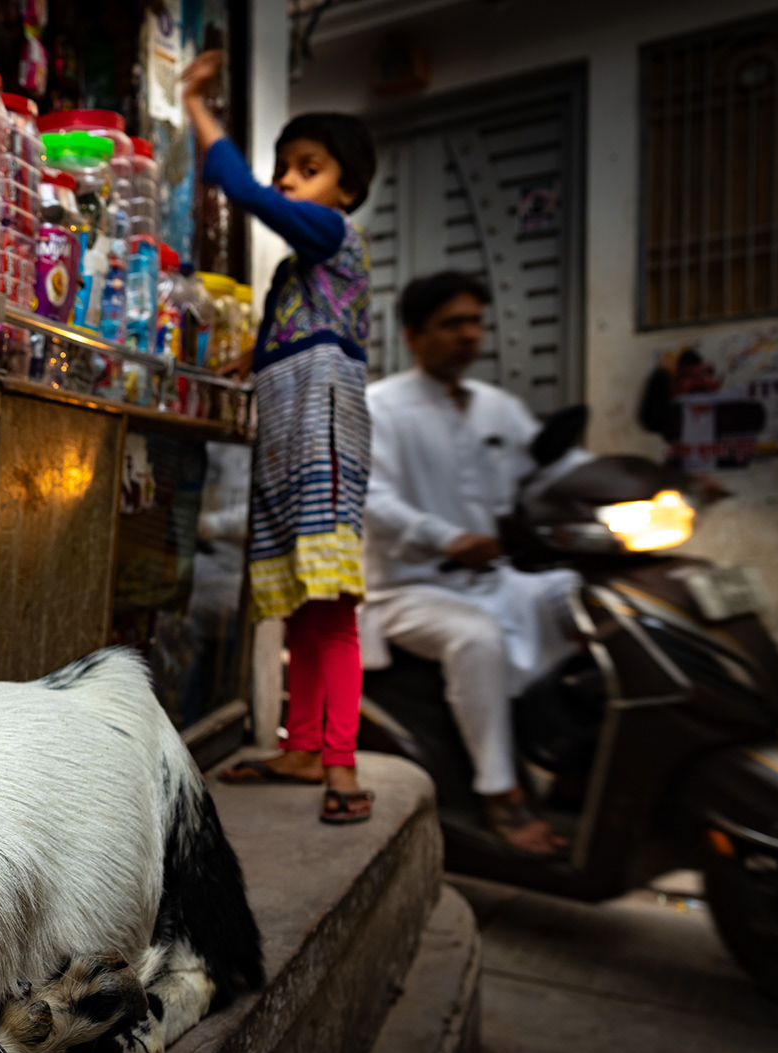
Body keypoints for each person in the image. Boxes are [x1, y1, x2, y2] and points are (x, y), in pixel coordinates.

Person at [179, 51, 378, 824]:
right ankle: (303, 745)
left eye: (308, 168)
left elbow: (243, 191)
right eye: (284, 168)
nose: (289, 180)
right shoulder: (295, 274)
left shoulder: (334, 234)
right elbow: (278, 344)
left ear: (346, 190)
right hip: (288, 443)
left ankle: (341, 764)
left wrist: (198, 108)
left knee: (330, 604)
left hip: (321, 439)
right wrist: (244, 360)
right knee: (299, 599)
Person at [361, 272, 582, 855]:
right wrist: (446, 538)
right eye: (452, 324)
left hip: (497, 580)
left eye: (475, 323)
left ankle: (573, 764)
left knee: (584, 601)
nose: (469, 335)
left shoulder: (499, 409)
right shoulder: (381, 407)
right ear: (413, 335)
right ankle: (501, 796)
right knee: (476, 638)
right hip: (408, 589)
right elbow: (371, 497)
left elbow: (557, 468)